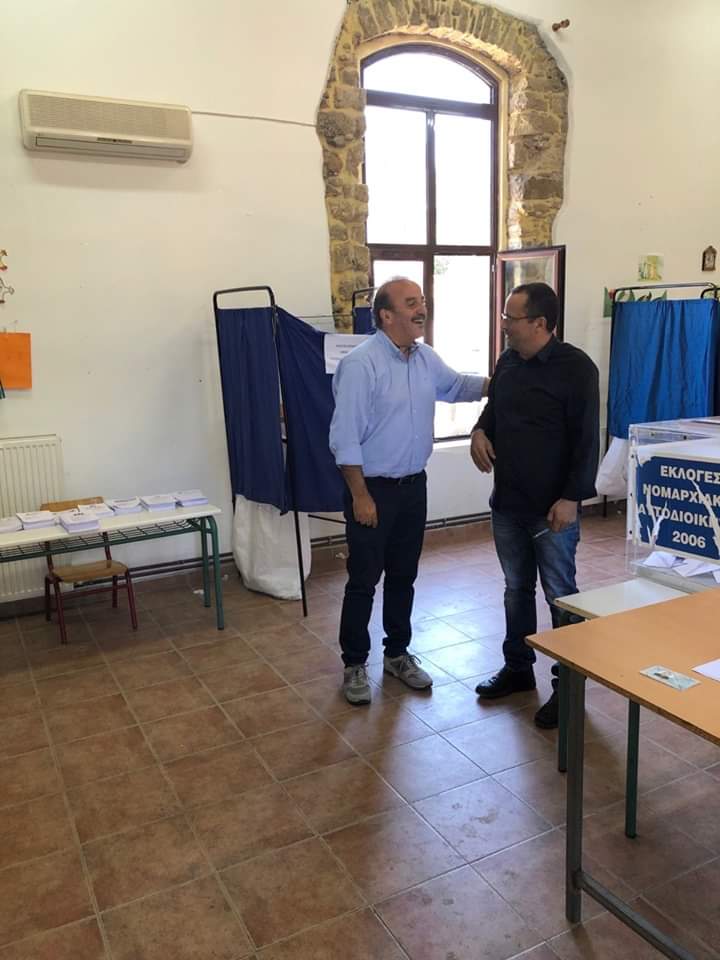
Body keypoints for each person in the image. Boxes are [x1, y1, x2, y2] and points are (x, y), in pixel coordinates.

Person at [329, 277, 488, 705]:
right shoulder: (361, 364)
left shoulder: (424, 357)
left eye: (423, 301)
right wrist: (360, 495)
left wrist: (505, 380)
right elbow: (344, 438)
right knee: (364, 580)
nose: (422, 309)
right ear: (386, 315)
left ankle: (397, 655)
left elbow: (456, 387)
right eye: (412, 303)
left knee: (404, 576)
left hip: (414, 486)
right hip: (373, 490)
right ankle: (354, 664)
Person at [471, 281, 599, 729]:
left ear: (540, 323)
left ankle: (569, 688)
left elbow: (587, 440)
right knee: (516, 590)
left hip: (552, 510)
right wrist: (479, 431)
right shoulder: (507, 361)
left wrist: (571, 498)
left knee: (561, 596)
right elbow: (493, 412)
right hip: (508, 503)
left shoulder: (576, 369)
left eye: (512, 318)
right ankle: (518, 669)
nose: (505, 325)